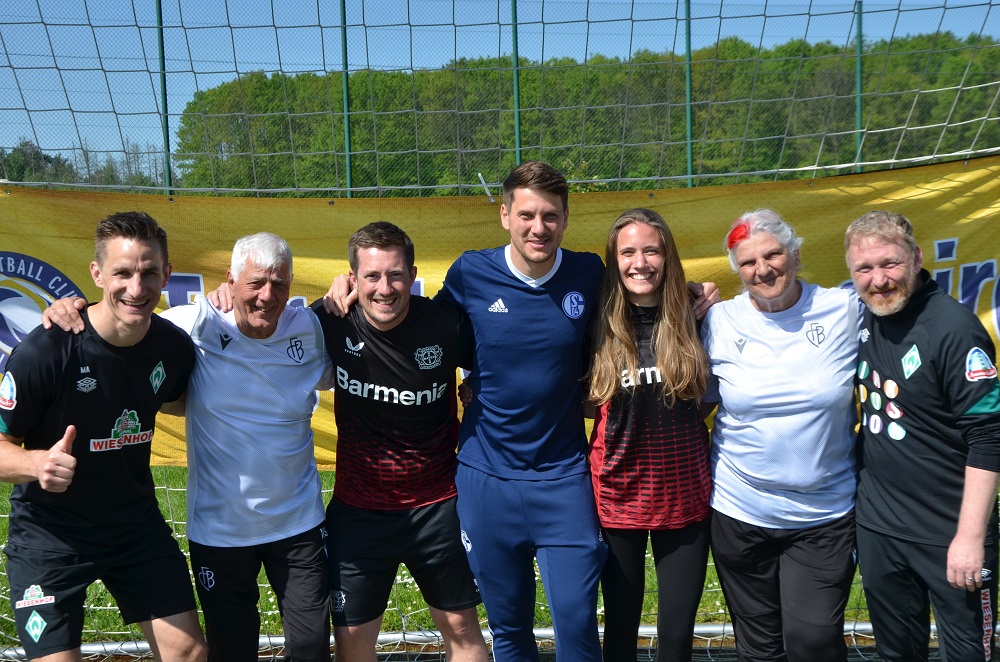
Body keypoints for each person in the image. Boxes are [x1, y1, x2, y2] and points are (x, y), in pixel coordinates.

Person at [325, 162, 718, 661]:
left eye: (550, 216)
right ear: (505, 214)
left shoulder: (587, 275)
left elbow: (641, 298)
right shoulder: (470, 273)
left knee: (577, 627)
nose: (538, 228)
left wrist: (691, 295)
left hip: (564, 478)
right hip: (487, 480)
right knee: (509, 631)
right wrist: (348, 290)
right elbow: (413, 324)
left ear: (567, 218)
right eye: (527, 214)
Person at [43, 232, 334, 662]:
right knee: (231, 652)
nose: (267, 296)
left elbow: (364, 336)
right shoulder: (193, 323)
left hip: (299, 525)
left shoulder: (310, 329)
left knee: (311, 650)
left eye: (280, 284)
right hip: (220, 531)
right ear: (230, 282)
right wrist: (69, 308)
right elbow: (121, 322)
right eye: (255, 283)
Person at [0, 212, 207, 661]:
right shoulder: (45, 351)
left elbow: (185, 399)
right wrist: (36, 465)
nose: (137, 288)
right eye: (123, 273)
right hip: (50, 539)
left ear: (167, 275)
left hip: (135, 530)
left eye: (150, 273)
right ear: (96, 274)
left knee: (190, 653)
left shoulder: (172, 347)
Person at [310, 221, 488, 662]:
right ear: (353, 279)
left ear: (411, 275)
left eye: (394, 275)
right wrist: (220, 301)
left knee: (464, 632)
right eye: (371, 276)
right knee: (351, 644)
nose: (384, 288)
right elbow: (257, 324)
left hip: (438, 506)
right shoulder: (328, 320)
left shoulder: (446, 323)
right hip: (360, 512)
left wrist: (481, 384)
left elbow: (504, 356)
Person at [700, 209, 859, 662]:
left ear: (796, 254)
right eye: (748, 262)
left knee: (812, 643)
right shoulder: (718, 321)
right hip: (740, 510)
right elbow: (702, 399)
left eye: (773, 254)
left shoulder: (843, 310)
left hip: (822, 515)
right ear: (736, 270)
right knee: (760, 649)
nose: (763, 269)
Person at [845, 210, 1000, 661]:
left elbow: (990, 437)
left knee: (968, 654)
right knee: (896, 654)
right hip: (880, 529)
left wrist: (970, 538)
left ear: (915, 257)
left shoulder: (954, 329)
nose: (878, 280)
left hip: (950, 535)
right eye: (864, 269)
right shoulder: (864, 316)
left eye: (889, 264)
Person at [586, 209, 712, 662]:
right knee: (620, 631)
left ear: (668, 256)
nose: (640, 262)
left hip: (685, 498)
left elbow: (711, 397)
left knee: (677, 638)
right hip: (616, 498)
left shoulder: (697, 317)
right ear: (614, 260)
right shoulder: (594, 325)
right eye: (628, 252)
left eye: (651, 250)